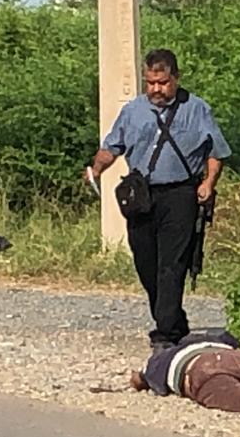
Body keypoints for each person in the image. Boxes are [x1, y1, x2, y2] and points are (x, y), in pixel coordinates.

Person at [85, 49, 231, 351]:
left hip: (180, 194)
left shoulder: (197, 109)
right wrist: (96, 169)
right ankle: (174, 320)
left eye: (162, 83)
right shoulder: (133, 111)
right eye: (150, 82)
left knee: (172, 264)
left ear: (176, 78)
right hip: (140, 195)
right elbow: (112, 146)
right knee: (146, 262)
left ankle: (165, 332)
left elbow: (216, 151)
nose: (156, 89)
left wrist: (208, 183)